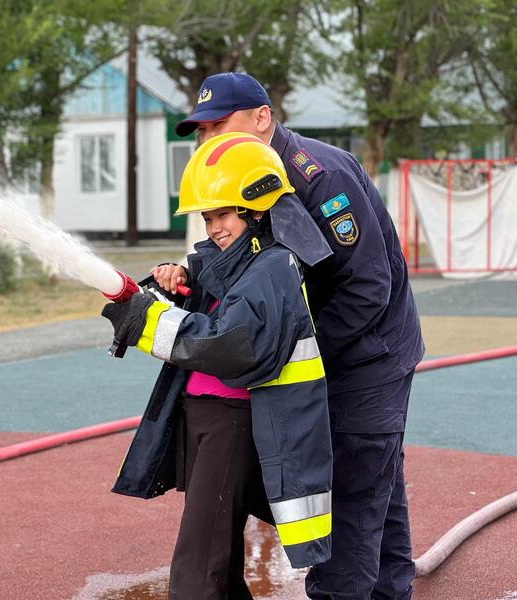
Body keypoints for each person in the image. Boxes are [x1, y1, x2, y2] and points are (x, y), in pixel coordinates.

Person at [170, 72, 425, 600]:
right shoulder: (246, 179)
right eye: (200, 130)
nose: (208, 139)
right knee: (376, 483)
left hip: (368, 355)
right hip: (334, 349)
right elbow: (254, 267)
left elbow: (367, 288)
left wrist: (290, 351)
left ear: (262, 118)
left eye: (219, 124)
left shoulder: (318, 174)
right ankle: (388, 589)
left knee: (355, 486)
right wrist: (191, 276)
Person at [102, 132, 335, 599]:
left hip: (234, 422)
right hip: (210, 417)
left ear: (257, 209)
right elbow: (212, 284)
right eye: (208, 217)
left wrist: (147, 317)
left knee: (198, 565)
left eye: (223, 214)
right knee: (218, 563)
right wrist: (177, 282)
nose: (214, 228)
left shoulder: (273, 267)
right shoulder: (238, 261)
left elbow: (229, 343)